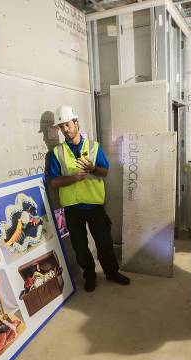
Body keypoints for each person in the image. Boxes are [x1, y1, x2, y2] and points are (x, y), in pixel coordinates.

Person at [47, 105, 130, 292]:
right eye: (61, 127)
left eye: (67, 124)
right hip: (72, 209)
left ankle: (111, 273)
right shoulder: (56, 153)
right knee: (80, 247)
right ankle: (90, 276)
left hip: (94, 206)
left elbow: (105, 171)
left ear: (76, 122)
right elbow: (54, 182)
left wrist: (92, 168)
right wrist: (73, 178)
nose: (65, 130)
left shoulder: (94, 147)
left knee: (104, 244)